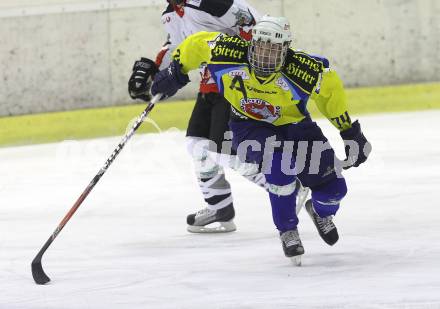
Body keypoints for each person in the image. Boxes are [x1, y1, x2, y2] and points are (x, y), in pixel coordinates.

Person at [148, 15, 372, 261]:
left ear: (286, 50)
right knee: (279, 170)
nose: (265, 54)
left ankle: (320, 212)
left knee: (334, 189)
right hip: (249, 126)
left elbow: (331, 95)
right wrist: (175, 72)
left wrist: (350, 132)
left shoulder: (303, 70)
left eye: (274, 49)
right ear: (252, 42)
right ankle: (288, 230)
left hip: (297, 127)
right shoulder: (227, 52)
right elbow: (195, 45)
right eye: (261, 45)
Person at [128, 0, 310, 233]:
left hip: (237, 84)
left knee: (224, 151)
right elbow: (176, 46)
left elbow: (259, 27)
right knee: (198, 146)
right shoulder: (170, 14)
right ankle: (220, 208)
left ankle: (290, 186)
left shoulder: (213, 3)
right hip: (210, 86)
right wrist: (154, 72)